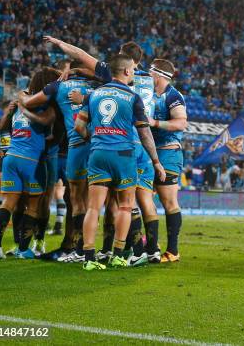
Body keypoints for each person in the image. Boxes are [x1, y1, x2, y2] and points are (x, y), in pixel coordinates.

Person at [74, 54, 165, 271]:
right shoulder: (133, 97)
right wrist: (156, 161)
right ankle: (117, 255)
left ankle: (88, 257)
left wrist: (94, 138)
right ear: (125, 71)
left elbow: (78, 126)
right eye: (132, 69)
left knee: (94, 207)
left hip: (98, 154)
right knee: (125, 206)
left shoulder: (94, 94)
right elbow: (144, 134)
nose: (133, 72)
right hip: (123, 155)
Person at [19, 59, 98, 262]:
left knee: (71, 199)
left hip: (64, 151)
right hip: (77, 148)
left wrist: (23, 102)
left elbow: (45, 120)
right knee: (77, 198)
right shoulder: (86, 90)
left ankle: (73, 245)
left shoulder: (55, 93)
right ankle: (76, 244)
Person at [0, 68, 58, 259]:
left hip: (11, 157)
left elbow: (2, 127)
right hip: (32, 161)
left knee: (8, 202)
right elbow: (46, 123)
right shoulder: (46, 106)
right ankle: (23, 249)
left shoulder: (21, 98)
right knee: (34, 205)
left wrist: (16, 111)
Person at [148, 59, 187, 262]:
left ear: (159, 74)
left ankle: (173, 251)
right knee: (145, 199)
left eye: (150, 71)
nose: (147, 74)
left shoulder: (172, 96)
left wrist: (155, 123)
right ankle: (151, 246)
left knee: (168, 201)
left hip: (168, 153)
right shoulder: (148, 94)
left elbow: (181, 122)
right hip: (148, 153)